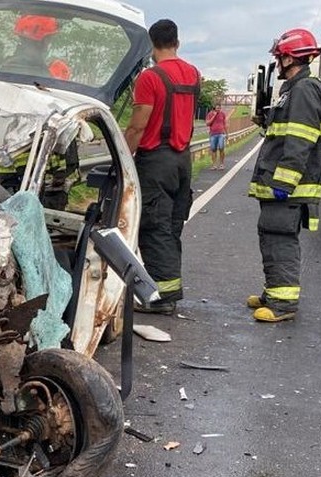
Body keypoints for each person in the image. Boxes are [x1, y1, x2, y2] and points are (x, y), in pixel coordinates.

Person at [247, 28, 321, 322]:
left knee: (279, 237)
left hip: (288, 186)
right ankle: (274, 292)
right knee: (271, 235)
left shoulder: (304, 90)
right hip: (281, 184)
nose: (278, 63)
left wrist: (284, 181)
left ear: (291, 57)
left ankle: (283, 304)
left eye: (280, 57)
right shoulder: (293, 89)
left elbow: (300, 139)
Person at [123, 19, 201, 315]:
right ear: (177, 43)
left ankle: (161, 298)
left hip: (156, 161)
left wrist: (124, 158)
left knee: (154, 228)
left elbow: (137, 126)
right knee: (170, 227)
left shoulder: (150, 78)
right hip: (183, 159)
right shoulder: (194, 74)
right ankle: (169, 290)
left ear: (151, 45)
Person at [3, 14, 72, 80]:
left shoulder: (5, 67)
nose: (49, 43)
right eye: (49, 38)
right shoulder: (43, 75)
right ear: (44, 41)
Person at [205, 103, 228, 169]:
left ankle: (221, 164)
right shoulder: (210, 114)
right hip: (213, 134)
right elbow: (208, 123)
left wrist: (227, 133)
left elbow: (225, 124)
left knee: (221, 148)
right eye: (217, 108)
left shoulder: (222, 114)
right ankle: (214, 165)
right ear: (214, 108)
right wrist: (214, 116)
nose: (218, 109)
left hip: (221, 133)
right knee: (213, 149)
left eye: (219, 108)